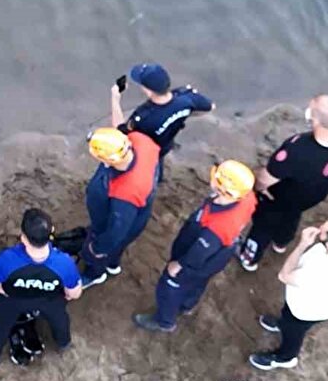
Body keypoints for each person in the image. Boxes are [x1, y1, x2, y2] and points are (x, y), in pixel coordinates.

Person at [133, 160, 257, 333]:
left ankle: (165, 321)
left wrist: (179, 266)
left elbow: (198, 254)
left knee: (170, 285)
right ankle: (187, 305)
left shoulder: (218, 228)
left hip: (201, 256)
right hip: (220, 252)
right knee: (198, 282)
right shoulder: (246, 196)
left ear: (223, 189)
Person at [238, 95, 328, 272]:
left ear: (314, 119)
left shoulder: (297, 150)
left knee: (263, 226)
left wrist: (257, 189)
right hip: (312, 197)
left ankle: (249, 258)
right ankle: (281, 243)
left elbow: (265, 179)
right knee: (292, 217)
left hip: (279, 197)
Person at [250, 219, 328, 370]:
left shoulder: (319, 269)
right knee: (287, 319)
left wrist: (302, 245)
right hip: (317, 302)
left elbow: (284, 276)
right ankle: (282, 324)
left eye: (322, 230)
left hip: (305, 311)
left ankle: (286, 357)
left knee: (293, 333)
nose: (318, 229)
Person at [0, 208, 81, 365]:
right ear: (51, 232)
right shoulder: (64, 263)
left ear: (23, 238)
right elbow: (74, 294)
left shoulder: (8, 260)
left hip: (13, 300)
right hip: (48, 300)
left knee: (1, 326)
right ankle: (63, 342)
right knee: (60, 319)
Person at [79, 127, 161, 289]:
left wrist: (97, 248)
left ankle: (94, 274)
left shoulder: (126, 192)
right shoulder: (141, 140)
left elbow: (117, 229)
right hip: (140, 212)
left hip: (121, 222)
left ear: (109, 161)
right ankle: (113, 265)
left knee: (102, 248)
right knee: (118, 247)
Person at [109, 63, 214, 157]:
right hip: (166, 141)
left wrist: (115, 98)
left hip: (150, 148)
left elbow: (119, 133)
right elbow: (210, 107)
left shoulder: (143, 118)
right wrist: (184, 113)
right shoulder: (186, 97)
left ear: (149, 92)